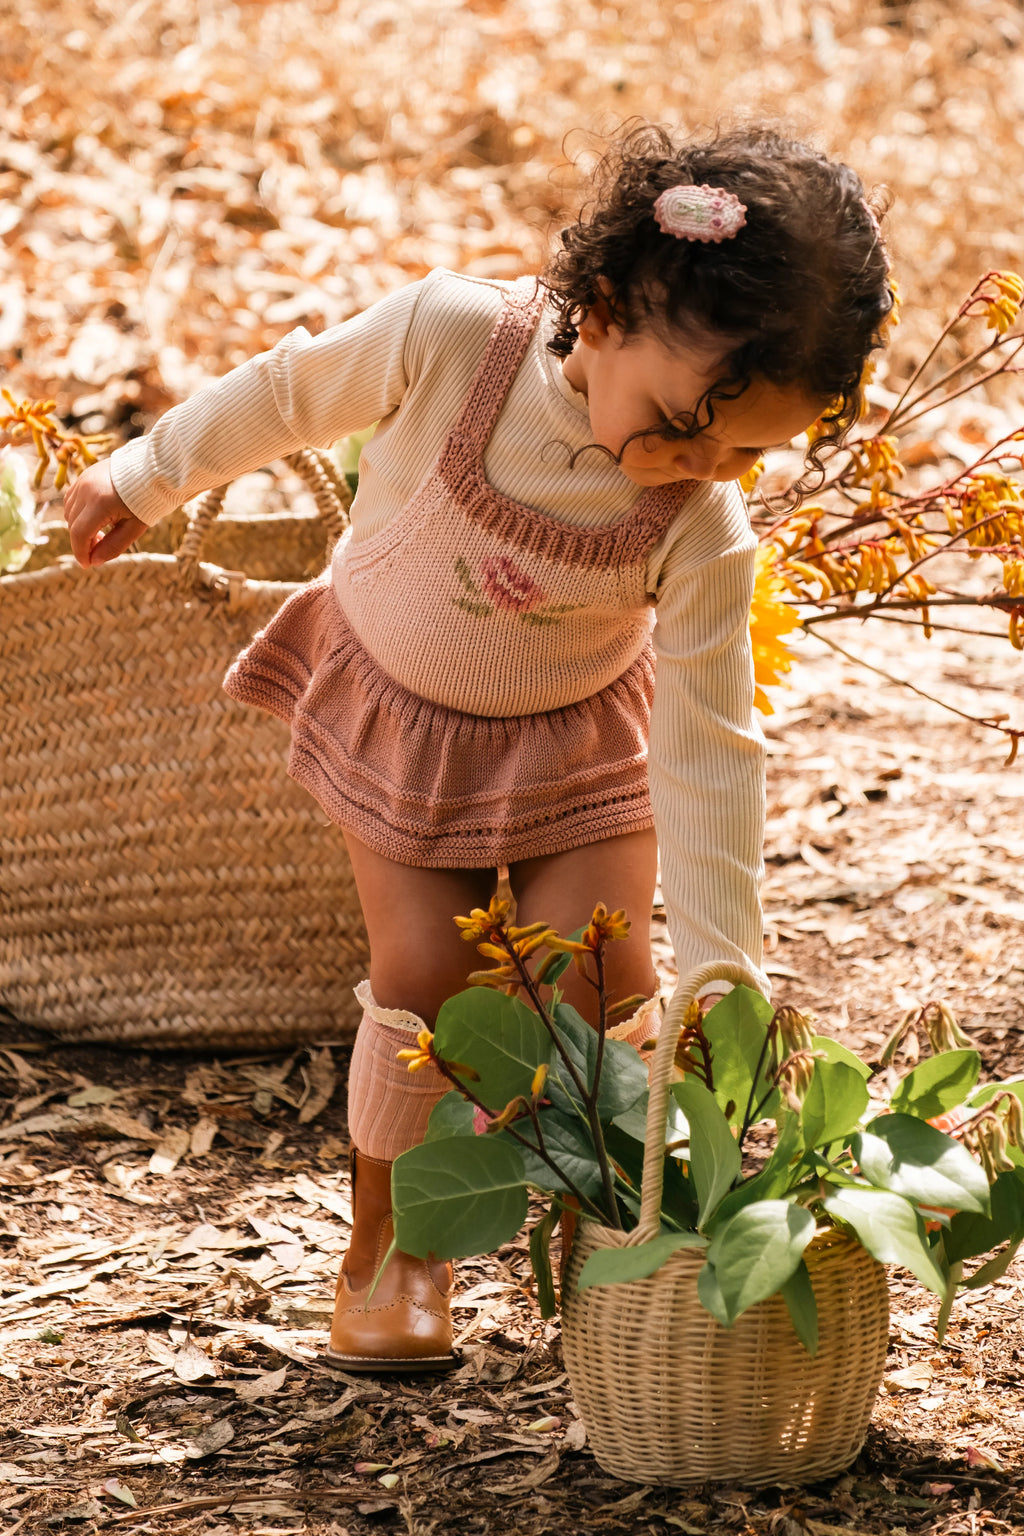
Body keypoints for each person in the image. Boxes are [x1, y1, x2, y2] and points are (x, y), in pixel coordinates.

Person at [63, 122, 894, 1374]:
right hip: (404, 716)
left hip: (579, 748)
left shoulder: (703, 525)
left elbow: (712, 746)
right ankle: (399, 1251)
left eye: (749, 451)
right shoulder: (456, 340)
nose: (704, 466)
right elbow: (287, 392)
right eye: (683, 424)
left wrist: (731, 970)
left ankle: (608, 1243)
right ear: (603, 311)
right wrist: (146, 474)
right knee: (425, 978)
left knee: (603, 989)